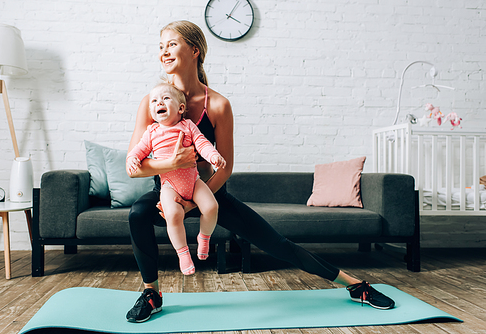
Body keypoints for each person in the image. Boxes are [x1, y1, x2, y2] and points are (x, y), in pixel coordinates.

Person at [126, 20, 395, 323]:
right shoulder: (152, 103)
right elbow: (135, 168)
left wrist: (195, 202)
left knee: (278, 245)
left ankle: (356, 285)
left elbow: (225, 166)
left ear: (195, 50)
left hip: (210, 192)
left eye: (171, 44)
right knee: (137, 214)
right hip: (168, 193)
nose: (164, 51)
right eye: (160, 46)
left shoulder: (217, 105)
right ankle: (152, 293)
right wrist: (173, 166)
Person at [127, 82, 226, 276]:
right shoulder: (152, 132)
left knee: (212, 207)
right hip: (169, 186)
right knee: (172, 216)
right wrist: (132, 159)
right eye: (154, 101)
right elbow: (138, 151)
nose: (158, 103)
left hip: (194, 181)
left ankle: (204, 238)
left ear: (181, 108)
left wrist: (213, 155)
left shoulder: (188, 126)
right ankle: (182, 253)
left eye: (165, 98)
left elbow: (202, 143)